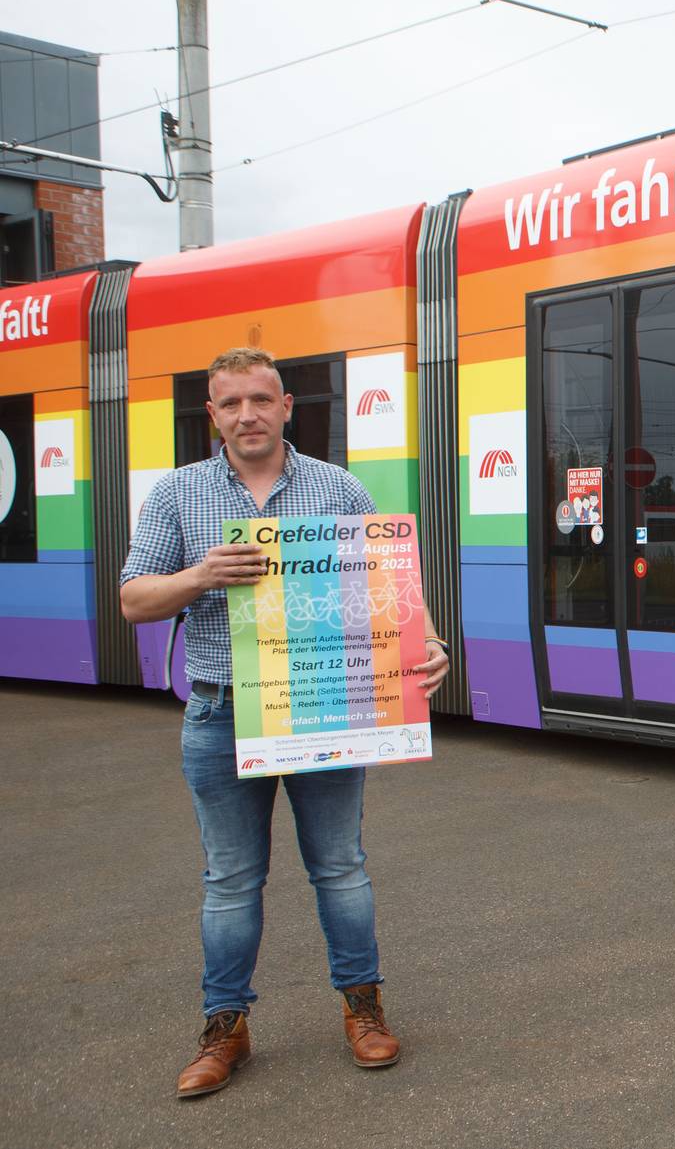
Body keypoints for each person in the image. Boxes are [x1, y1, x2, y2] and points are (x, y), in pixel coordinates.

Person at [119, 347, 451, 1098]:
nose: (247, 415)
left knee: (340, 866)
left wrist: (428, 647)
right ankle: (224, 1026)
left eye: (261, 400)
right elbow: (134, 598)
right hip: (221, 711)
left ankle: (363, 1010)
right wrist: (202, 574)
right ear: (212, 414)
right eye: (230, 403)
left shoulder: (338, 488)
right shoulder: (178, 494)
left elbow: (394, 588)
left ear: (287, 405)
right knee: (232, 878)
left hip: (323, 706)